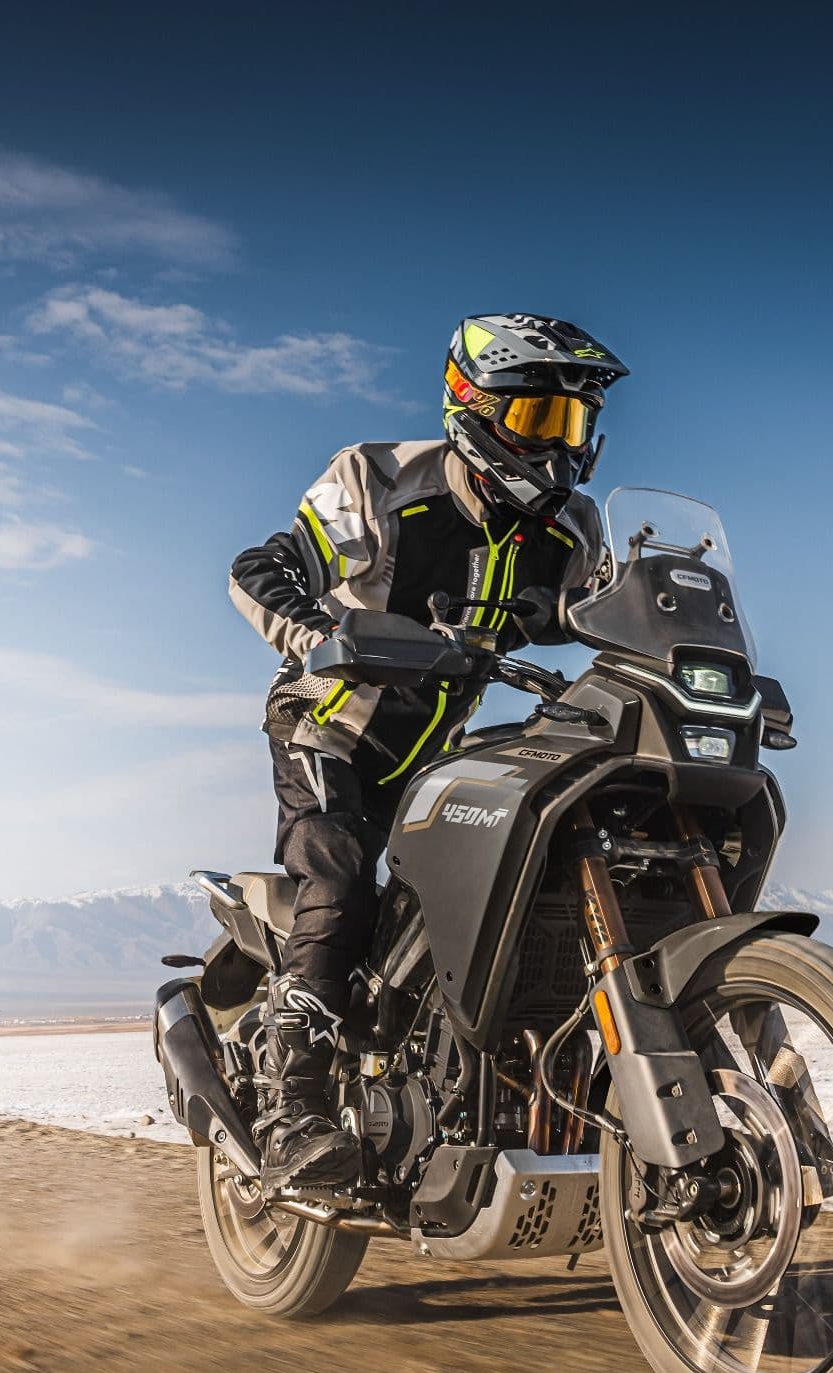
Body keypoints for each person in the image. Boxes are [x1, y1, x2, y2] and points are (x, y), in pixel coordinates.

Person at [226, 313, 627, 1183]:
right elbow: (263, 566)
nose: (557, 446)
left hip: (435, 754)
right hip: (329, 729)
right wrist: (310, 630)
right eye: (535, 419)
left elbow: (609, 611)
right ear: (471, 407)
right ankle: (292, 1114)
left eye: (572, 423)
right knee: (337, 880)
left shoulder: (574, 529)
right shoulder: (378, 481)